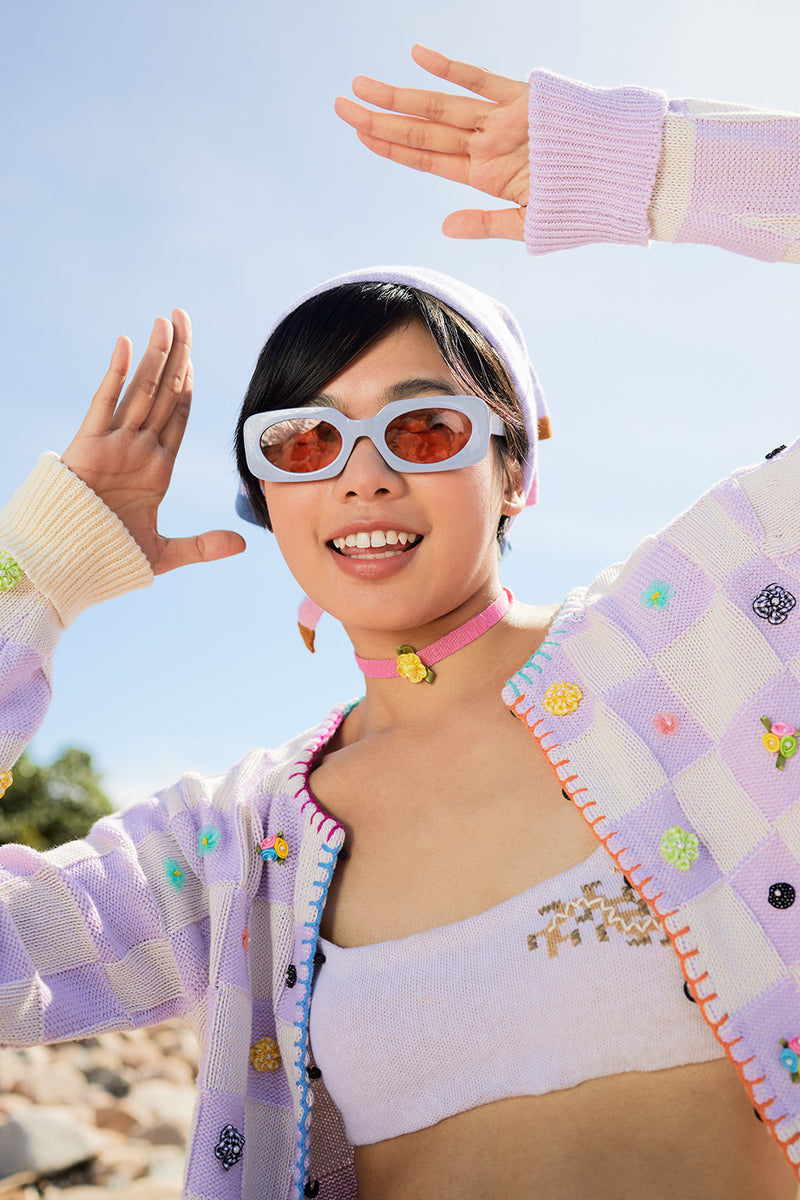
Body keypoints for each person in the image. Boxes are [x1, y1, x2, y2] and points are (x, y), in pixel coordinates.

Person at [1, 44, 799, 1200]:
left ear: (515, 467)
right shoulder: (240, 849)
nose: (360, 476)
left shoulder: (701, 632)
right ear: (270, 501)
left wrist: (663, 163)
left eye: (423, 430)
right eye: (303, 443)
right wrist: (38, 581)